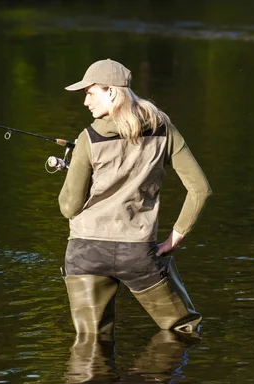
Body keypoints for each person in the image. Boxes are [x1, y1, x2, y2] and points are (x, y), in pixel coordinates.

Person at [59, 59, 212, 335]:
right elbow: (200, 189)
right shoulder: (165, 131)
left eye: (90, 92)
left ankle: (92, 379)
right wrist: (175, 237)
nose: (86, 102)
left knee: (91, 343)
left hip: (86, 253)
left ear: (112, 92)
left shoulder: (87, 139)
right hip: (138, 253)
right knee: (184, 330)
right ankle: (157, 377)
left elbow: (69, 207)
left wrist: (72, 175)